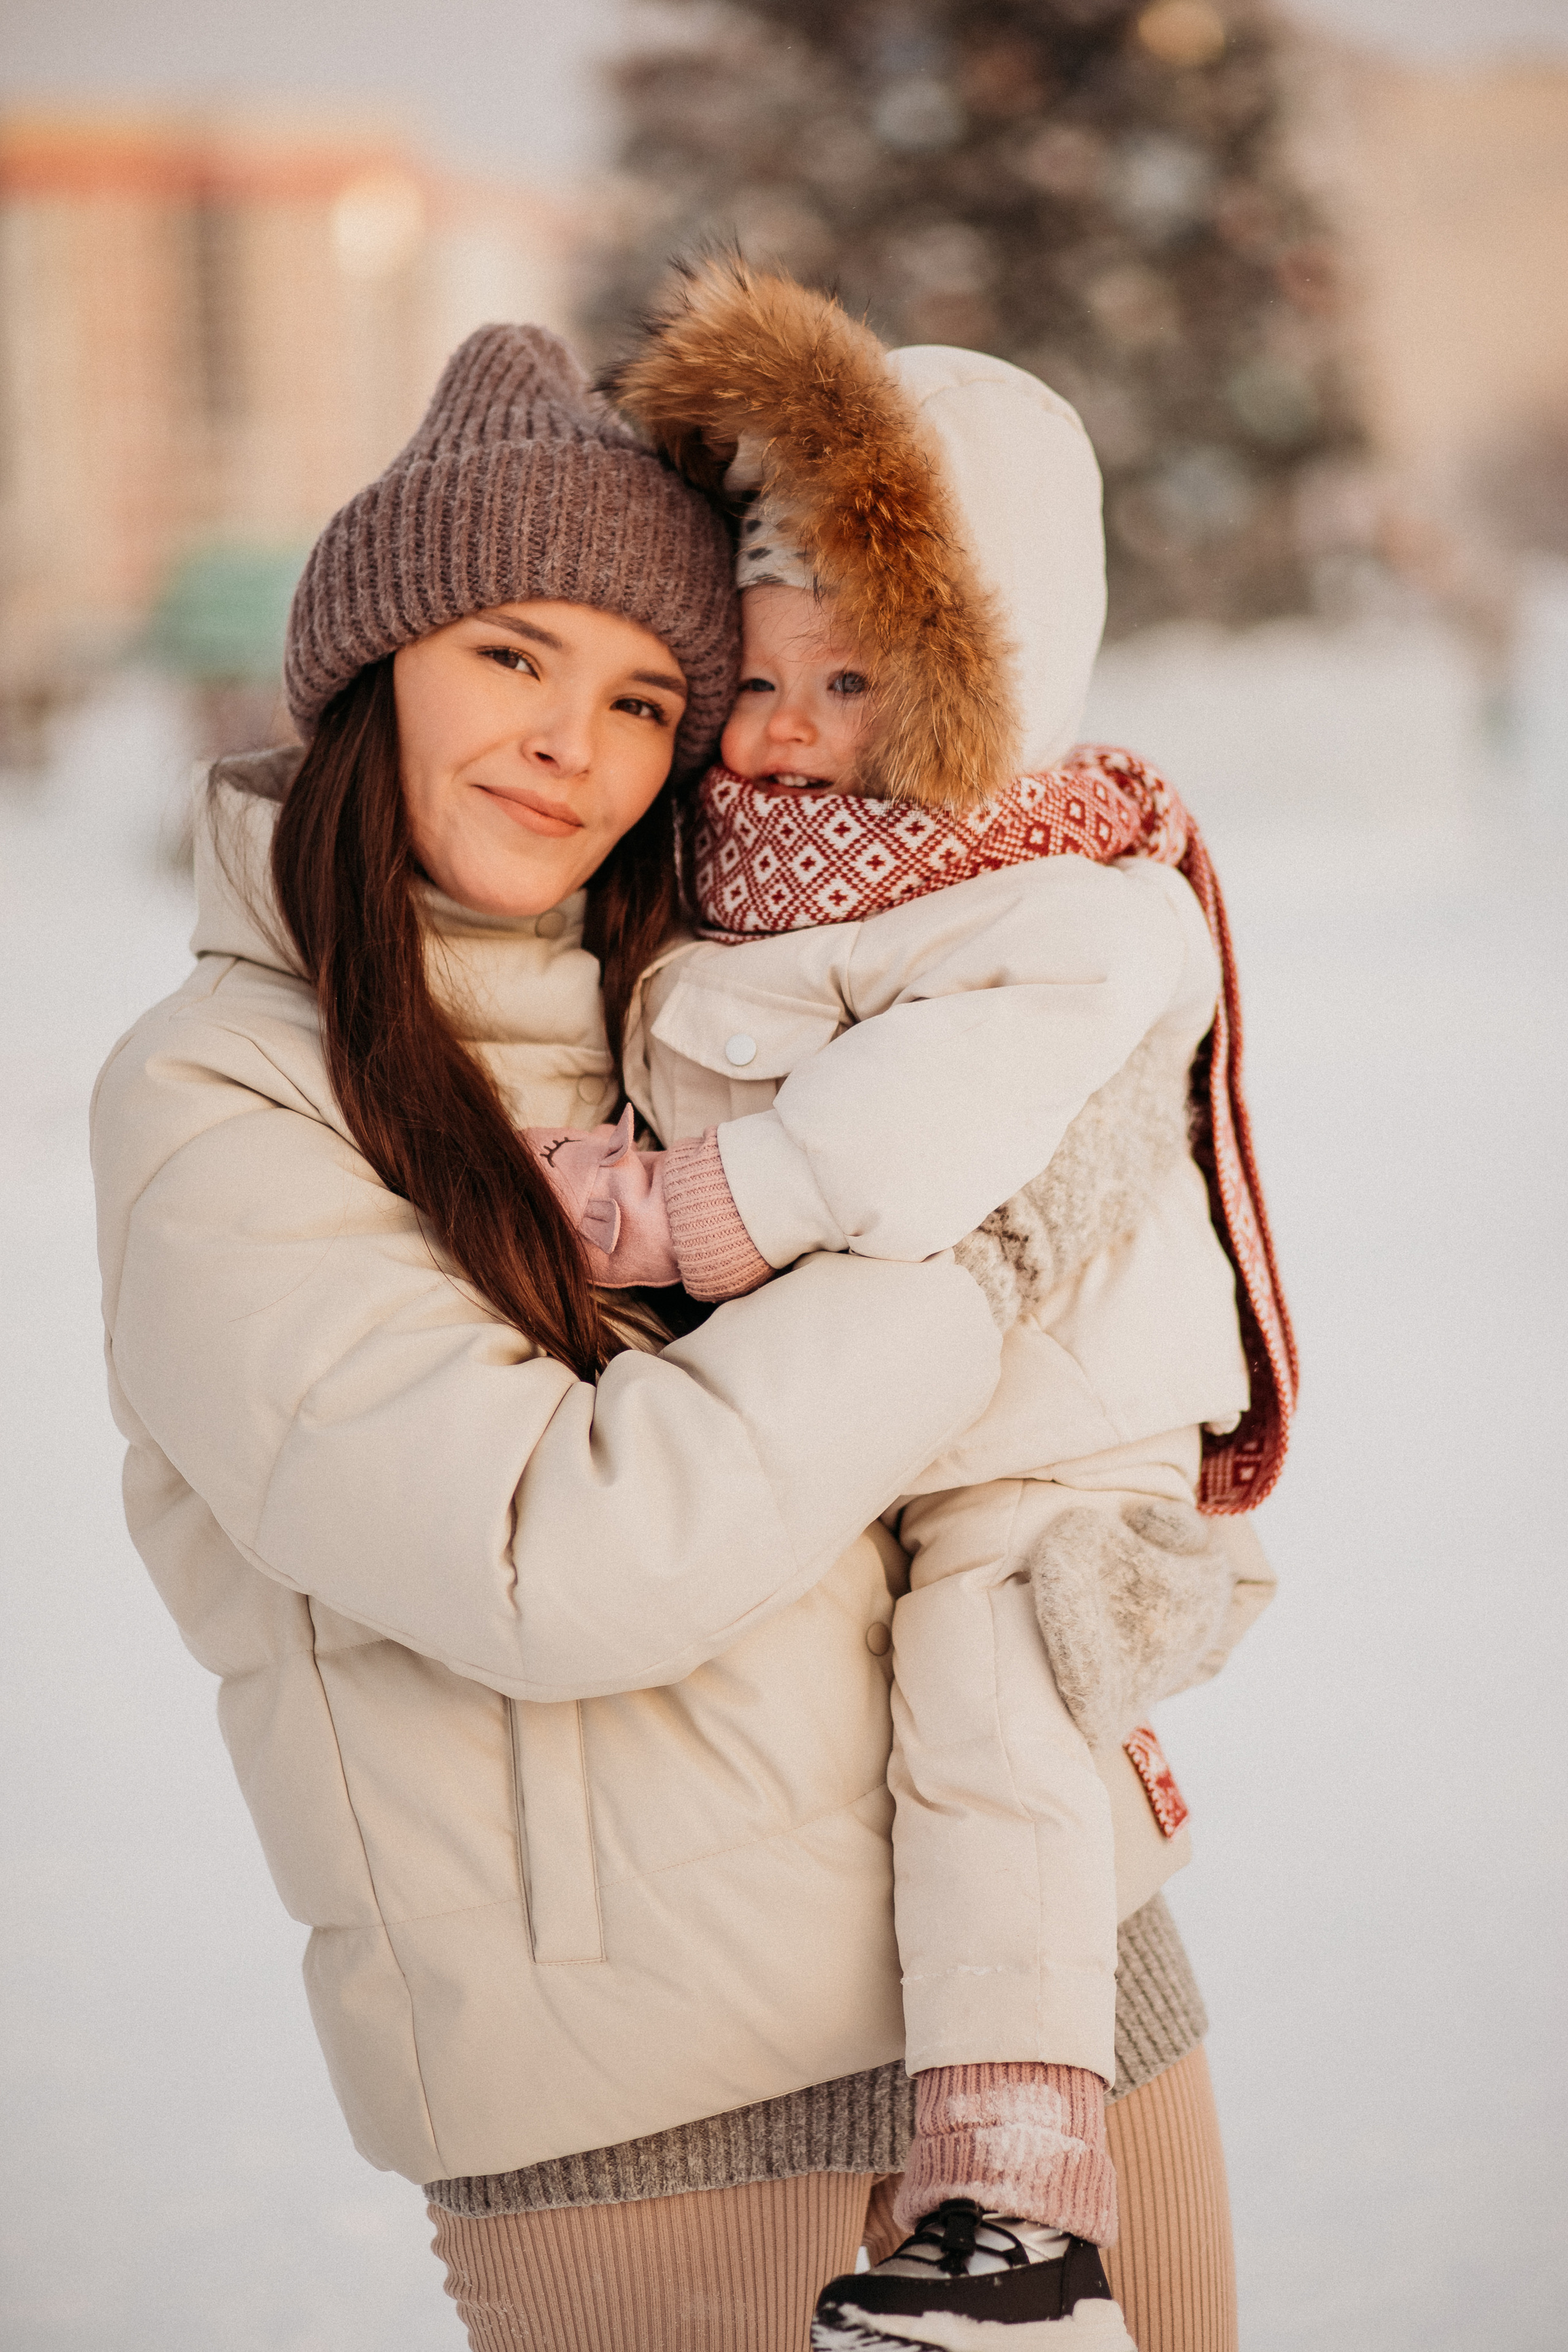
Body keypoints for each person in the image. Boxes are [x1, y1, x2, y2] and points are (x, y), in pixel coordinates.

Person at [89, 320, 1248, 2352]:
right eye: (510, 658)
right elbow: (561, 1566)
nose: (574, 743)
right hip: (641, 2111)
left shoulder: (722, 980)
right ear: (375, 666)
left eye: (643, 695)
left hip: (1047, 2015)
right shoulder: (221, 1103)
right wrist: (980, 1260)